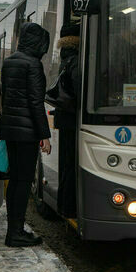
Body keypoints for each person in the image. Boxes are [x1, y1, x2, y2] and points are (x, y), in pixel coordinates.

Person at [0, 22, 51, 247]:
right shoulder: (34, 65)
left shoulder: (9, 62)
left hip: (10, 129)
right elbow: (35, 102)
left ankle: (14, 229)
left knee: (15, 181)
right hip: (27, 132)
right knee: (24, 181)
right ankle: (16, 233)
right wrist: (45, 135)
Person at [53, 23, 80, 218]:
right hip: (72, 117)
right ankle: (69, 207)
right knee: (71, 164)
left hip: (64, 116)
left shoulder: (64, 55)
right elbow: (79, 90)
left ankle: (63, 204)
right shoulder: (77, 59)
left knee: (66, 163)